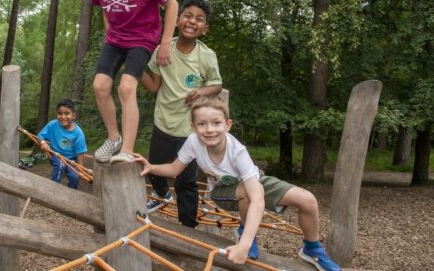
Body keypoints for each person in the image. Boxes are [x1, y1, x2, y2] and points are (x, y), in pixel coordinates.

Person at [134, 97, 341, 271]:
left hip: (253, 181)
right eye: (202, 124)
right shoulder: (193, 142)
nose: (209, 130)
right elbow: (174, 169)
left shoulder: (237, 150)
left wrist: (243, 247)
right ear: (193, 127)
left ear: (227, 124)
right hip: (224, 191)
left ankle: (311, 249)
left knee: (308, 200)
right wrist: (152, 167)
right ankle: (244, 232)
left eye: (216, 123)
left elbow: (258, 197)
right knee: (247, 192)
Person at [91, 0, 179, 165]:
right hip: (116, 39)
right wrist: (110, 34)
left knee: (126, 87)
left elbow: (171, 3)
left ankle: (127, 150)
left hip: (143, 38)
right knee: (99, 86)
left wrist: (164, 43)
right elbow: (105, 10)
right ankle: (114, 138)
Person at [140, 0, 222, 228]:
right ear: (176, 20)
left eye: (199, 19)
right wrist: (135, 70)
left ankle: (188, 226)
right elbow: (154, 86)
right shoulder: (163, 50)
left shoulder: (206, 56)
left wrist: (202, 91)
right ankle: (162, 195)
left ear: (205, 28)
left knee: (186, 180)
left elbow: (216, 85)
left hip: (189, 130)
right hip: (163, 122)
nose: (192, 21)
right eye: (187, 15)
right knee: (155, 169)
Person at [37, 99, 87, 190]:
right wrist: (43, 142)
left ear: (73, 116)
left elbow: (80, 152)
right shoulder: (53, 125)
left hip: (71, 160)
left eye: (67, 113)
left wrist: (81, 169)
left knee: (74, 177)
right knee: (60, 164)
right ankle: (54, 189)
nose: (63, 116)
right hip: (55, 155)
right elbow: (40, 135)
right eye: (60, 113)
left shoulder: (78, 133)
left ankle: (71, 193)